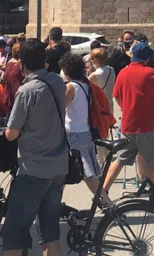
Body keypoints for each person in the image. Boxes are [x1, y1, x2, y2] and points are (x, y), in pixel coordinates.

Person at [3, 39, 69, 256]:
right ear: (46, 61)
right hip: (58, 165)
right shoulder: (58, 83)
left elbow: (11, 133)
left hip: (33, 168)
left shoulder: (27, 91)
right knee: (50, 232)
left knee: (15, 231)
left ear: (22, 63)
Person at [104, 41, 154, 201]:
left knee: (120, 159)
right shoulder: (150, 73)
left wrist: (126, 109)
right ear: (147, 59)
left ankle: (103, 192)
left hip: (127, 125)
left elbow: (116, 95)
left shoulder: (123, 73)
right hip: (147, 126)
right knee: (151, 163)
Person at [57, 54, 103, 199]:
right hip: (85, 132)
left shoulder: (71, 87)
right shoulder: (85, 86)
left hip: (73, 134)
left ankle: (107, 204)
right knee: (63, 174)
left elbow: (60, 107)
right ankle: (54, 204)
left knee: (87, 175)